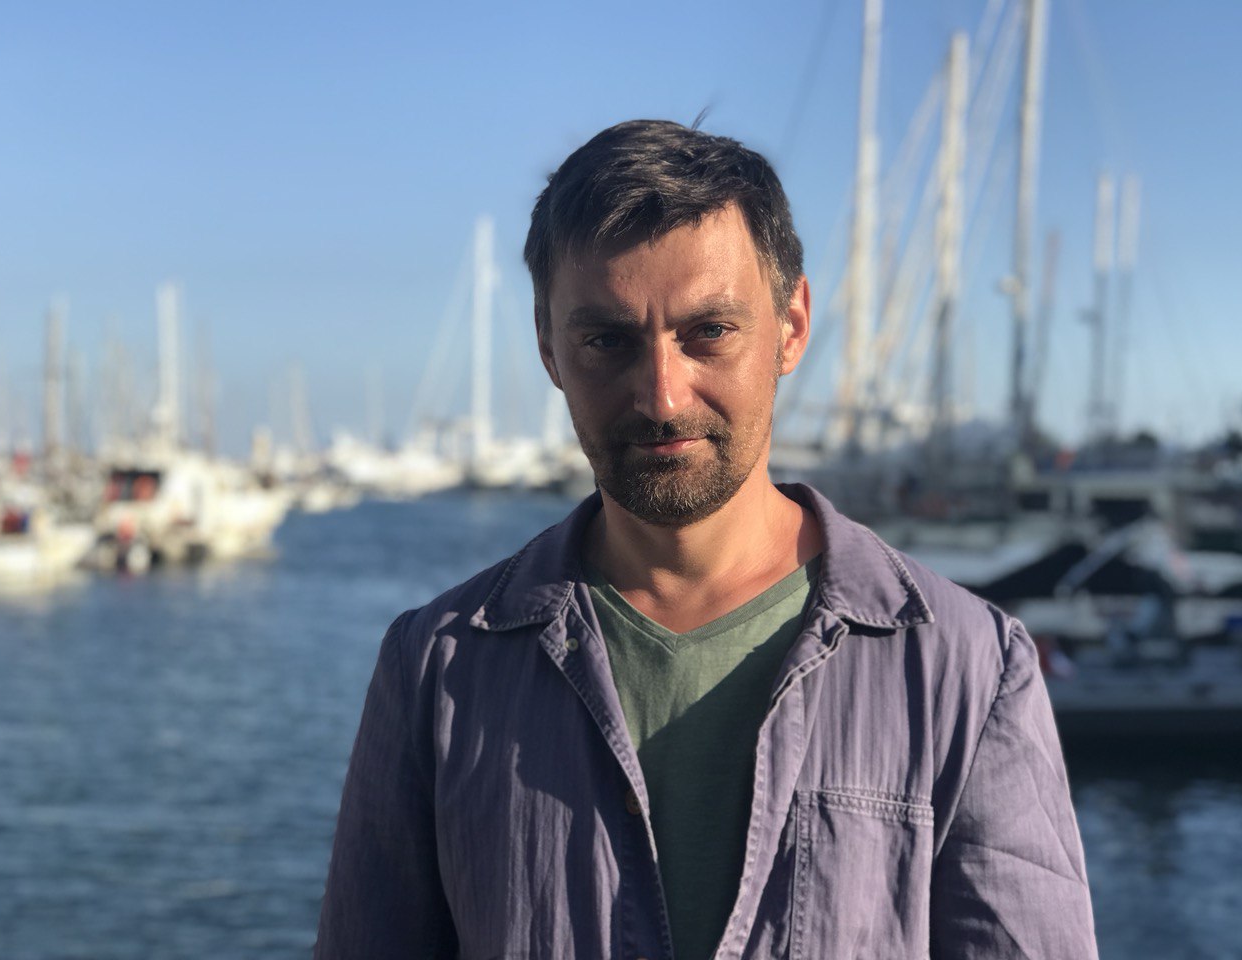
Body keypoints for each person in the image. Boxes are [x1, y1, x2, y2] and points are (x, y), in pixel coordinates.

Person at [314, 119, 1098, 960]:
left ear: (791, 325)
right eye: (607, 341)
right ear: (548, 346)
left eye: (710, 332)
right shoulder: (435, 670)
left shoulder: (967, 671)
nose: (662, 395)